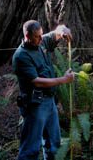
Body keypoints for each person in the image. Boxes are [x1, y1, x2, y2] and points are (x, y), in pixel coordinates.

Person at [12, 20, 74, 160]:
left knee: (53, 145)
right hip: (35, 105)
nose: (41, 39)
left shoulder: (42, 42)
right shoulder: (21, 56)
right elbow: (37, 82)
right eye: (37, 37)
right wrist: (63, 80)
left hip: (50, 103)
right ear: (27, 37)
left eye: (41, 35)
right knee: (31, 149)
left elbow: (57, 32)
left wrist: (63, 29)